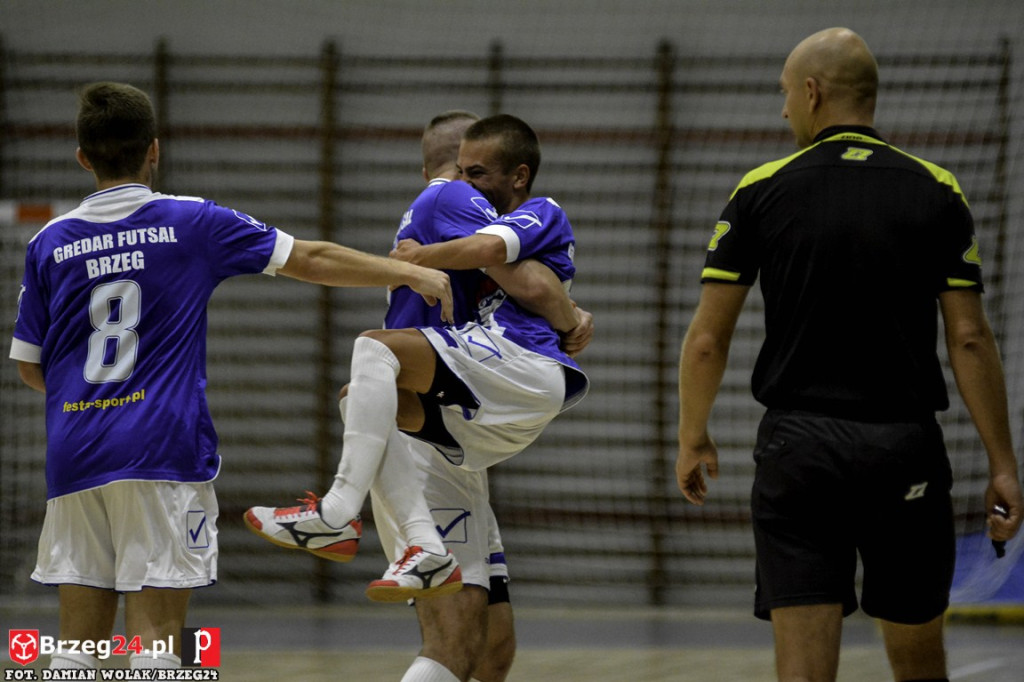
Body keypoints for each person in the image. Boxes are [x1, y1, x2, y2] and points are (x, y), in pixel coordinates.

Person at [8, 81, 452, 673]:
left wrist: (91, 402)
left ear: (83, 157)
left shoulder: (48, 243)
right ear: (155, 150)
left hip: (75, 453)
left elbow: (30, 368)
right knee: (156, 646)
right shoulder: (190, 221)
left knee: (78, 650)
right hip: (162, 449)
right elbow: (311, 258)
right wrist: (407, 273)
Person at [675, 28, 1023, 682]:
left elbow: (705, 340)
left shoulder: (760, 188)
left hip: (799, 450)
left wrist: (692, 437)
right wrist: (1003, 464)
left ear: (812, 92)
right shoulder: (937, 188)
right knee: (920, 663)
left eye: (785, 94)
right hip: (903, 446)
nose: (783, 111)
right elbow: (970, 337)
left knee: (805, 671)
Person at [245, 113, 589, 647]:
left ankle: (340, 513)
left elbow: (527, 277)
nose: (470, 185)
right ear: (456, 163)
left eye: (480, 173)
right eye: (468, 171)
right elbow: (532, 282)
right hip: (467, 401)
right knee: (484, 648)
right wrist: (569, 318)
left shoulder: (459, 203)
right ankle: (419, 545)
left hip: (499, 372)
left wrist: (417, 261)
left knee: (370, 352)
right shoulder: (452, 198)